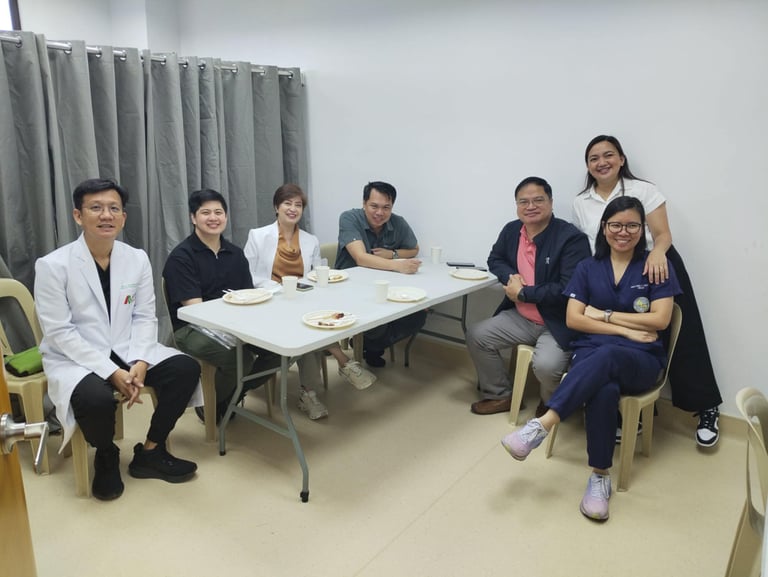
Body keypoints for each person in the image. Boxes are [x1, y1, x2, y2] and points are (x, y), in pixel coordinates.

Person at [502, 196, 682, 521]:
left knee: (609, 355)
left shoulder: (656, 266)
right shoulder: (588, 267)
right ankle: (600, 477)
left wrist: (603, 316)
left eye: (631, 225)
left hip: (641, 361)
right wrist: (626, 328)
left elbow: (660, 321)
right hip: (595, 353)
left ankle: (542, 424)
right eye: (615, 224)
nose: (623, 232)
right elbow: (574, 319)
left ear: (642, 230)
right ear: (604, 228)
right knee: (603, 388)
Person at [35, 178, 200, 501]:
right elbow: (60, 332)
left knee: (185, 369)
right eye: (95, 208)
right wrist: (112, 372)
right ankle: (106, 453)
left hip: (127, 347)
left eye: (114, 208)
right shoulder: (54, 266)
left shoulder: (136, 258)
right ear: (78, 216)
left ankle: (151, 450)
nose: (106, 215)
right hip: (76, 356)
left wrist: (140, 361)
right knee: (95, 398)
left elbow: (144, 315)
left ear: (123, 217)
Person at [572, 135, 722, 447]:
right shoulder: (581, 201)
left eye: (608, 155)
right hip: (613, 269)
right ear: (587, 165)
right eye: (594, 158)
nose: (602, 162)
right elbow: (590, 245)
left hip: (657, 265)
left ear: (622, 159)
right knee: (619, 335)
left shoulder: (643, 190)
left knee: (683, 337)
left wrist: (657, 254)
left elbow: (663, 234)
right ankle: (632, 411)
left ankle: (707, 407)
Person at [244, 183, 377, 420]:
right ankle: (342, 361)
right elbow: (248, 275)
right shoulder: (258, 235)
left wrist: (314, 283)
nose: (293, 209)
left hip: (303, 299)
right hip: (271, 300)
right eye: (287, 203)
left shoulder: (309, 239)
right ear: (277, 206)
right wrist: (278, 288)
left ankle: (309, 393)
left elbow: (316, 272)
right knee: (309, 326)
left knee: (311, 324)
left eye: (298, 205)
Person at [466, 177, 591, 415]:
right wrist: (512, 277)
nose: (530, 206)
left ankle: (552, 403)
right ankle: (499, 395)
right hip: (521, 317)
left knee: (546, 366)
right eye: (523, 201)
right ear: (516, 205)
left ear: (551, 203)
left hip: (557, 322)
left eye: (538, 200)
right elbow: (495, 259)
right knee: (477, 335)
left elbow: (569, 288)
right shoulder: (512, 230)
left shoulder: (571, 238)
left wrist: (524, 293)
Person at [163, 189, 280, 425]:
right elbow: (195, 309)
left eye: (219, 212)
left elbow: (249, 295)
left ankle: (230, 395)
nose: (213, 217)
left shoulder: (235, 254)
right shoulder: (182, 257)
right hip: (192, 328)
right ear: (193, 218)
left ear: (226, 217)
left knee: (280, 350)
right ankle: (212, 403)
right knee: (238, 358)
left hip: (236, 322)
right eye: (205, 212)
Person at [335, 181, 426, 367]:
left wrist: (392, 254)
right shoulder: (349, 218)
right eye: (374, 206)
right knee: (379, 318)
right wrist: (397, 265)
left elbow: (414, 249)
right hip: (350, 287)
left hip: (384, 286)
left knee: (419, 314)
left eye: (386, 207)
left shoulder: (397, 222)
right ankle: (371, 343)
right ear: (364, 203)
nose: (379, 213)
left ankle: (370, 344)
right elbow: (360, 258)